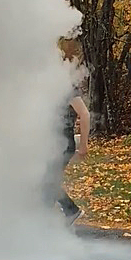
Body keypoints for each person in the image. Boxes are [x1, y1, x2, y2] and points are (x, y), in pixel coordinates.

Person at [48, 89, 90, 224]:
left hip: (63, 145)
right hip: (53, 144)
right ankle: (45, 218)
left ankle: (71, 211)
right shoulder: (54, 88)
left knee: (48, 181)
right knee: (45, 182)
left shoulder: (68, 89)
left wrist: (83, 145)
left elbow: (85, 115)